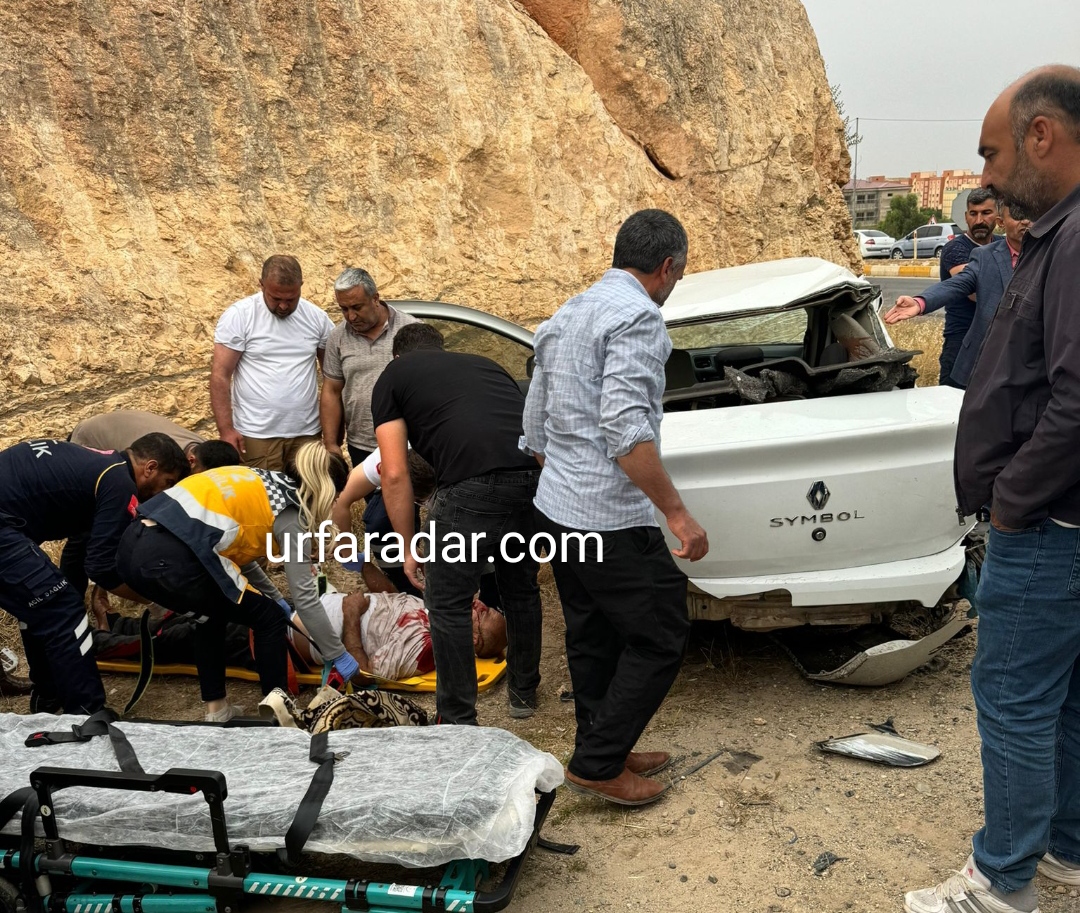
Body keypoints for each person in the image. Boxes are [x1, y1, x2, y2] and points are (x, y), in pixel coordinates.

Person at [904, 66, 1080, 913]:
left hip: (1049, 528)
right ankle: (1068, 850)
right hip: (1066, 523)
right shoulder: (1056, 234)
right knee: (1067, 694)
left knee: (1012, 697)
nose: (986, 175)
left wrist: (1012, 500)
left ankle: (1000, 883)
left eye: (993, 151)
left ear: (1042, 136)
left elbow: (1077, 398)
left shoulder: (1074, 240)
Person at [520, 209, 709, 808]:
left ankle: (601, 743)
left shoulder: (565, 314)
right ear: (667, 266)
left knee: (592, 634)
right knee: (661, 633)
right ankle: (600, 764)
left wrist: (566, 482)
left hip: (558, 509)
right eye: (678, 273)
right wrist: (678, 515)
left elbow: (534, 426)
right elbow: (627, 431)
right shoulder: (638, 319)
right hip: (607, 517)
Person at [372, 323, 543, 724]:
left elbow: (394, 473)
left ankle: (457, 721)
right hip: (533, 479)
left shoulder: (393, 377)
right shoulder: (485, 364)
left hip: (470, 486)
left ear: (397, 357)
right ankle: (523, 692)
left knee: (446, 603)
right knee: (520, 588)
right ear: (441, 348)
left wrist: (410, 545)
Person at [116, 441, 354, 722]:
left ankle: (217, 711)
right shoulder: (292, 511)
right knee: (268, 619)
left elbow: (238, 550)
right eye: (336, 496)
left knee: (211, 616)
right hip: (171, 560)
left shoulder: (261, 481)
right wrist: (338, 654)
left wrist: (273, 595)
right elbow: (304, 596)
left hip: (132, 548)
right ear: (325, 490)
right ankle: (277, 713)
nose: (335, 503)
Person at [0, 434, 187, 713]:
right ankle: (87, 711)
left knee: (41, 607)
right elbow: (102, 568)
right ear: (150, 467)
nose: (164, 493)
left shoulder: (99, 469)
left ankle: (49, 698)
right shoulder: (119, 482)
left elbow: (81, 552)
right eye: (168, 483)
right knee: (61, 608)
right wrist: (155, 602)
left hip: (9, 523)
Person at [64, 412, 238, 604]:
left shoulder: (210, 455)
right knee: (85, 534)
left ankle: (100, 590)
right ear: (191, 461)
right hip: (91, 440)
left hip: (125, 445)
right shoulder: (170, 463)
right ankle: (71, 603)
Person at [320, 268, 420, 592]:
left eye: (357, 307)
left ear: (376, 298)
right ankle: (405, 586)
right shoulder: (337, 339)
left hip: (409, 446)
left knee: (393, 519)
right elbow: (332, 391)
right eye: (343, 309)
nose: (350, 316)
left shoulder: (409, 329)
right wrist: (332, 444)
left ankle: (413, 581)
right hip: (364, 444)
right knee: (384, 523)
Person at [883, 204, 1031, 388]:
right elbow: (957, 283)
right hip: (985, 360)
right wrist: (921, 302)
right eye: (1018, 215)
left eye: (1032, 214)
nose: (1026, 221)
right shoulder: (985, 256)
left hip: (1032, 364)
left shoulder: (1053, 254)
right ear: (1001, 222)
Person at [210, 255, 334, 471]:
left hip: (306, 434)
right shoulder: (240, 316)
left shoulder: (317, 318)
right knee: (265, 501)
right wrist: (226, 430)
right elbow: (220, 375)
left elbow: (333, 379)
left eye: (291, 298)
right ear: (261, 285)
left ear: (301, 287)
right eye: (275, 298)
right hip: (257, 435)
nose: (284, 306)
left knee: (308, 499)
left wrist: (332, 436)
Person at [289, 562, 507, 681]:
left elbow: (363, 675)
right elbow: (395, 601)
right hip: (313, 604)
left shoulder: (423, 651)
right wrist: (365, 566)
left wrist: (352, 614)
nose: (478, 603)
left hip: (294, 631)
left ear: (474, 638)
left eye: (483, 612)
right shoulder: (440, 616)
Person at [935, 187, 1001, 387]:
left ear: (998, 216)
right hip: (962, 342)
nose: (979, 220)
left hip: (997, 342)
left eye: (986, 213)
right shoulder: (956, 249)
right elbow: (977, 293)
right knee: (955, 409)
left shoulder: (1003, 244)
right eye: (973, 213)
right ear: (966, 216)